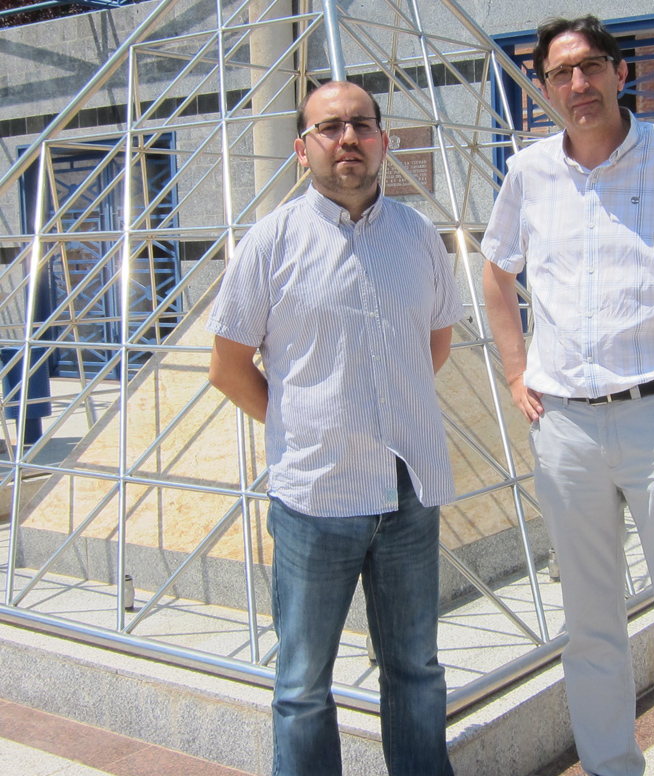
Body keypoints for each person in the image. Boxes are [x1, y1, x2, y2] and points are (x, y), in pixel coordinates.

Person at [481, 16, 654, 776]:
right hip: (566, 428)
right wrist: (516, 374)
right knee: (589, 622)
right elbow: (497, 277)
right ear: (543, 88)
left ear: (619, 72)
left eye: (591, 66)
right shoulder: (528, 172)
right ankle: (611, 766)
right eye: (560, 73)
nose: (578, 84)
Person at [206, 81, 461, 776]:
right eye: (329, 127)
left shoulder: (418, 236)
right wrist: (306, 424)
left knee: (416, 670)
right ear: (303, 147)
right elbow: (227, 367)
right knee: (301, 687)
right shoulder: (270, 243)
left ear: (382, 139)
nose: (347, 138)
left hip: (408, 491)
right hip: (315, 499)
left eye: (360, 124)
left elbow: (433, 346)